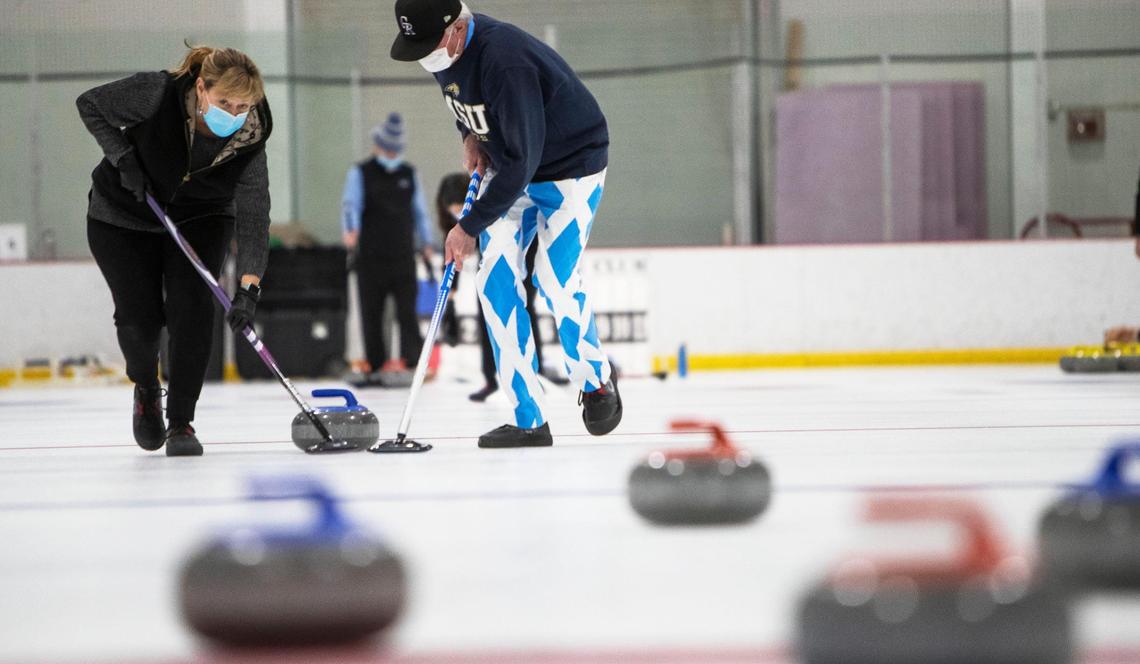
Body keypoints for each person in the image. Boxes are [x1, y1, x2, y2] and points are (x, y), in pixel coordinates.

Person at [389, 0, 622, 448]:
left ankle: (595, 380)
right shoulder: (444, 53)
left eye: (429, 44)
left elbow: (523, 162)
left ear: (456, 29)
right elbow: (463, 101)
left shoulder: (505, 61)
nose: (426, 57)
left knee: (553, 278)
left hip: (571, 167)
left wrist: (468, 225)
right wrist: (470, 136)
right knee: (494, 282)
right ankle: (528, 417)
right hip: (512, 161)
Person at [77, 44, 272, 457]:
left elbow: (254, 210)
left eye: (242, 106)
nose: (234, 115)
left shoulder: (252, 131)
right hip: (124, 214)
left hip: (201, 217)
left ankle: (182, 421)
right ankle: (147, 387)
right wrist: (123, 157)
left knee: (193, 312)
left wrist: (249, 287)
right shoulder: (156, 93)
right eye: (225, 103)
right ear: (201, 88)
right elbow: (90, 104)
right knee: (139, 320)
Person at [436, 172, 568, 403]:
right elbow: (452, 254)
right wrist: (451, 302)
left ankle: (533, 374)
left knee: (523, 305)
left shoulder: (486, 203)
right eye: (453, 210)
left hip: (523, 247)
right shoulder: (453, 220)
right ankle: (491, 378)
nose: (457, 214)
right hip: (489, 256)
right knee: (487, 308)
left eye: (460, 208)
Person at [342, 113, 433, 381]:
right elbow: (351, 205)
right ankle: (376, 363)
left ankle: (412, 363)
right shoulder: (360, 173)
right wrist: (350, 231)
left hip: (403, 254)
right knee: (372, 312)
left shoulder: (408, 173)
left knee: (407, 311)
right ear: (377, 146)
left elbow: (420, 212)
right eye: (388, 149)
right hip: (370, 256)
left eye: (396, 150)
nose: (392, 154)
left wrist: (426, 242)